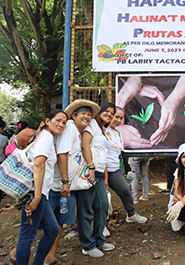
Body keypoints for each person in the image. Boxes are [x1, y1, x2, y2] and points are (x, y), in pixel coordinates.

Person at [17, 112, 67, 265]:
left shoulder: (47, 138)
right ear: (47, 121)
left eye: (64, 122)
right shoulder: (45, 137)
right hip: (34, 192)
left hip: (41, 192)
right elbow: (39, 164)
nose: (61, 124)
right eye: (58, 120)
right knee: (27, 235)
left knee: (52, 230)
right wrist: (37, 196)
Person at [67, 100, 112, 258]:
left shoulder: (103, 129)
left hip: (98, 174)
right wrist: (92, 167)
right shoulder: (92, 124)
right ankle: (87, 245)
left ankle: (99, 240)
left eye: (112, 114)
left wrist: (104, 176)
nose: (109, 115)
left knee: (103, 207)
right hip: (88, 173)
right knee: (86, 211)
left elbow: (103, 153)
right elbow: (85, 146)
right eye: (107, 111)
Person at [98, 103, 150, 225]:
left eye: (121, 118)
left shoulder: (118, 134)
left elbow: (122, 153)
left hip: (114, 170)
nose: (118, 120)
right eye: (116, 116)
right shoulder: (101, 131)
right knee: (102, 200)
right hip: (100, 171)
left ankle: (131, 215)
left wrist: (128, 169)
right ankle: (101, 225)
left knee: (125, 191)